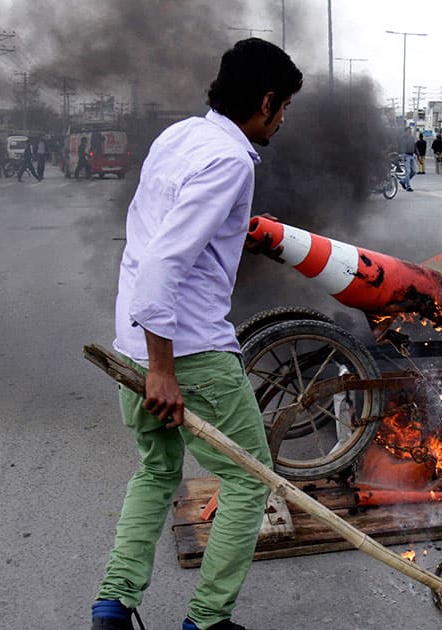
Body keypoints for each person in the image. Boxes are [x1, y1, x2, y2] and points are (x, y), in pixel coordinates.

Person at [90, 38, 303, 630]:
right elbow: (164, 265)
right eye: (283, 106)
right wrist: (164, 370)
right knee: (248, 478)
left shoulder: (179, 137)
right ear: (265, 101)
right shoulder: (230, 160)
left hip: (131, 345)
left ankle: (112, 606)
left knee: (157, 470)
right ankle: (207, 622)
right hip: (189, 353)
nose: (283, 119)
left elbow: (155, 236)